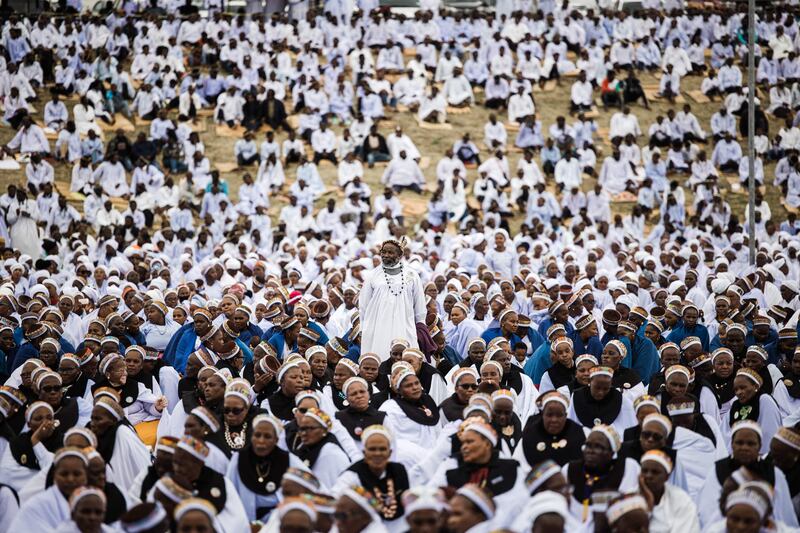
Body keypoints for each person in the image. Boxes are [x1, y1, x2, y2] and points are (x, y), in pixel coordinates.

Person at [359, 239, 426, 361]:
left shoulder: (411, 275)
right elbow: (364, 305)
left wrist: (421, 325)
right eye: (383, 252)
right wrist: (364, 328)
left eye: (390, 252)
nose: (385, 255)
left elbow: (419, 305)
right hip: (377, 327)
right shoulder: (373, 275)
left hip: (405, 325)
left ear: (400, 255)